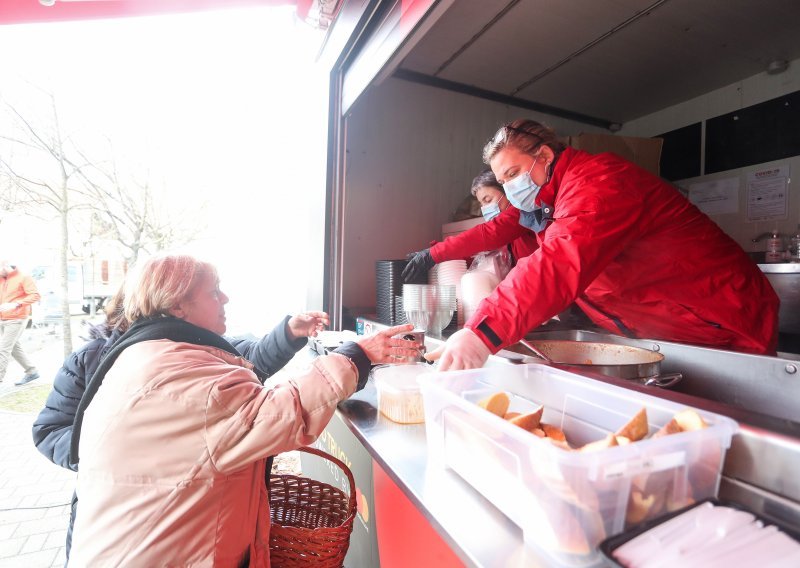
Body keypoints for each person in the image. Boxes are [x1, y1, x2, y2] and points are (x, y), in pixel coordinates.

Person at [66, 253, 417, 566]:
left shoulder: (156, 352)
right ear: (178, 307)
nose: (226, 298)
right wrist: (357, 355)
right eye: (214, 291)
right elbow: (279, 415)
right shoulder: (177, 372)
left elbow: (248, 380)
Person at [427, 119, 779, 370]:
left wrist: (482, 332)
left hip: (725, 325)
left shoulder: (599, 183)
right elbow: (519, 246)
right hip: (673, 332)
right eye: (503, 181)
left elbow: (559, 262)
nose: (510, 189)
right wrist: (434, 254)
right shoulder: (549, 205)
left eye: (513, 174)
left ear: (546, 157)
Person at [32, 282, 339, 560]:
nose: (225, 299)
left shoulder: (202, 352)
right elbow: (50, 430)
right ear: (168, 305)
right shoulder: (92, 358)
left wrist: (288, 333)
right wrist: (114, 454)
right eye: (213, 291)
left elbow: (253, 358)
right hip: (110, 509)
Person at [402, 170, 539, 281]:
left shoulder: (522, 211)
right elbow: (478, 254)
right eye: (482, 204)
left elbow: (488, 234)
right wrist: (435, 253)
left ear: (506, 190)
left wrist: (434, 254)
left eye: (488, 199)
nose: (485, 207)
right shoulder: (506, 236)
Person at [0, 259, 41, 385]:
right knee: (13, 348)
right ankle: (32, 371)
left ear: (4, 265)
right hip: (3, 318)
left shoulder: (24, 277)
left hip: (16, 319)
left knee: (3, 349)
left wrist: (16, 304)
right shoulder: (2, 278)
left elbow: (35, 295)